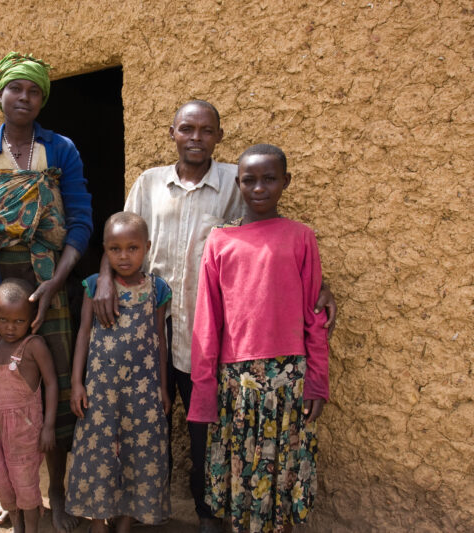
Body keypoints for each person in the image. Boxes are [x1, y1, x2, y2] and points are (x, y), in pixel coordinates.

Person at [92, 100, 337, 533]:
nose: (196, 138)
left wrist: (320, 288)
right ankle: (139, 509)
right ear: (172, 133)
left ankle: (208, 513)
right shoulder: (150, 183)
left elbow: (271, 244)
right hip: (149, 326)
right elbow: (121, 234)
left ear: (219, 137)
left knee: (206, 431)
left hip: (203, 329)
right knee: (144, 421)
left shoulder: (234, 181)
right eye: (187, 129)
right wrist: (105, 278)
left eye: (206, 130)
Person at [0, 51, 92, 533]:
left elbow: (80, 219)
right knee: (3, 392)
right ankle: (11, 491)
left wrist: (57, 281)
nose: (24, 98)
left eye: (34, 91)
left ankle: (57, 490)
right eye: (16, 89)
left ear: (43, 99)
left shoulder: (61, 150)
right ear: (0, 94)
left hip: (47, 281)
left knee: (54, 384)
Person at [189, 144, 330, 533]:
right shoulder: (220, 241)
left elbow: (314, 316)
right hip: (238, 382)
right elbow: (207, 321)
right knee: (243, 471)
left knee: (283, 470)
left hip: (289, 379)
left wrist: (317, 381)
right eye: (249, 180)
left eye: (270, 179)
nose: (259, 188)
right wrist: (204, 391)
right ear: (238, 183)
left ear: (286, 182)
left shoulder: (301, 237)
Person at [66, 212, 172, 533]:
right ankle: (98, 521)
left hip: (143, 391)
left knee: (138, 453)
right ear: (105, 250)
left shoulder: (158, 289)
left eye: (132, 248)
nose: (124, 256)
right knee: (97, 452)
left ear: (147, 248)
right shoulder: (95, 286)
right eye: (115, 249)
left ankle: (125, 520)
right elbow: (83, 333)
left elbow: (160, 340)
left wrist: (163, 388)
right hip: (100, 389)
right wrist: (76, 383)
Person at [0, 278, 58, 533]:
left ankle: (31, 528)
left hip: (23, 432)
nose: (10, 327)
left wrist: (48, 426)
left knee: (25, 485)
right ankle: (17, 526)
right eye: (3, 320)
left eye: (19, 321)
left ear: (32, 318)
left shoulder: (33, 346)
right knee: (2, 483)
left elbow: (51, 383)